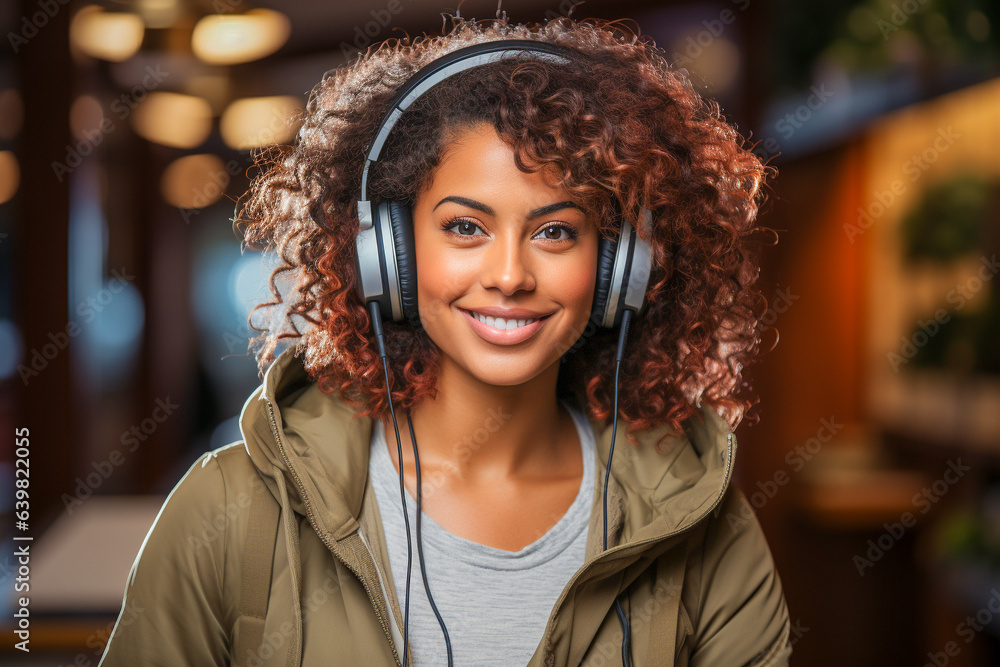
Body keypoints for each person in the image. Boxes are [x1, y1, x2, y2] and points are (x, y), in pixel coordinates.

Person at [100, 13, 791, 667]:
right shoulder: (229, 510)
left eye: (556, 231)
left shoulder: (701, 519)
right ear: (387, 255)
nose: (511, 274)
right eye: (465, 226)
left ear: (621, 269)